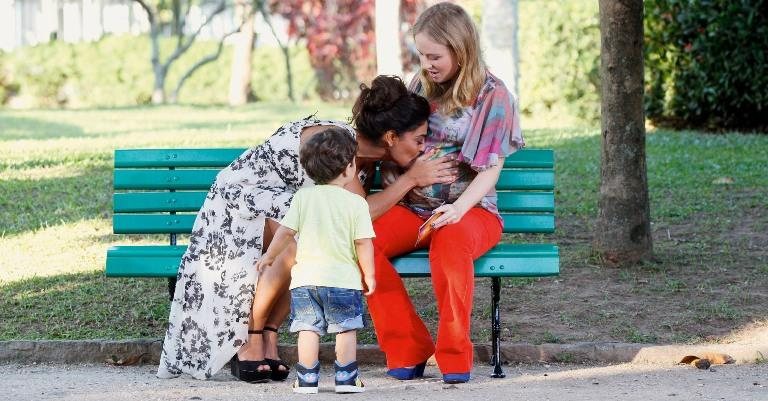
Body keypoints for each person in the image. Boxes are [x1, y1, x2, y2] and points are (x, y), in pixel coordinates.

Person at [156, 75, 458, 381]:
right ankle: (250, 334)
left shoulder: (370, 158)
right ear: (392, 137)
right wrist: (411, 179)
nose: (422, 149)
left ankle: (269, 334)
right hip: (238, 204)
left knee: (314, 234)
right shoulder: (337, 144)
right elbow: (357, 212)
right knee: (305, 230)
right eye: (419, 140)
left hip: (283, 207)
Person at [366, 3, 525, 384]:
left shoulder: (493, 95)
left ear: (461, 49)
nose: (427, 63)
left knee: (451, 241)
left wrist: (458, 209)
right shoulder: (419, 85)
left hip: (473, 211)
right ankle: (407, 345)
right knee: (362, 243)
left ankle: (454, 356)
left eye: (435, 55)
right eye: (421, 54)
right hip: (415, 208)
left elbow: (490, 171)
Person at [255, 129, 375, 394]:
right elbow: (363, 242)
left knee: (308, 330)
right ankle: (346, 379)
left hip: (305, 281)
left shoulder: (303, 198)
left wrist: (270, 256)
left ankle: (307, 379)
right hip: (342, 280)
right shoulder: (356, 204)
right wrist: (370, 275)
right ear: (349, 167)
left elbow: (286, 232)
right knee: (345, 330)